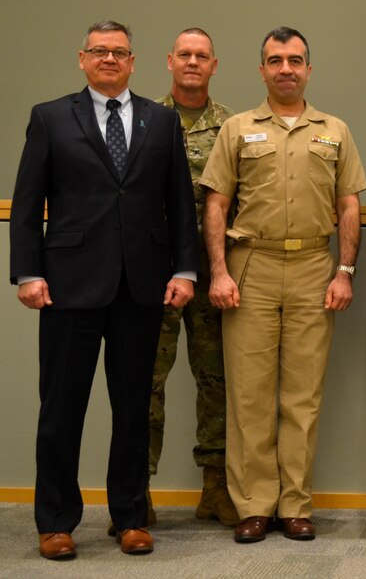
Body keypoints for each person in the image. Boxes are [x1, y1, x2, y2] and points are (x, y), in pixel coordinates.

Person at [8, 20, 199, 558]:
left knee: (134, 408)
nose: (109, 59)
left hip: (142, 286)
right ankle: (56, 522)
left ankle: (131, 516)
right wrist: (28, 272)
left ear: (134, 62)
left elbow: (180, 204)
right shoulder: (50, 117)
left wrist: (184, 270)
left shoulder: (162, 122)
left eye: (119, 52)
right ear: (82, 59)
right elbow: (27, 203)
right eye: (99, 51)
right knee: (61, 409)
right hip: (67, 286)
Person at [200, 26, 366, 544]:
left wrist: (344, 270)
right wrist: (219, 271)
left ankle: (295, 504)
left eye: (295, 60)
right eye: (275, 60)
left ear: (309, 69)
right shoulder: (236, 129)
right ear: (262, 70)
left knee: (302, 396)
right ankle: (254, 505)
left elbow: (349, 205)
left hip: (315, 269)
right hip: (251, 267)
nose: (286, 68)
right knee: (249, 395)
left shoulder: (334, 130)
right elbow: (216, 204)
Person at [142, 27, 238, 530]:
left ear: (214, 65)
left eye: (202, 56)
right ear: (169, 61)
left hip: (212, 273)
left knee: (217, 381)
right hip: (152, 275)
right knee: (145, 384)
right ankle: (137, 492)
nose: (193, 63)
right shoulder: (143, 120)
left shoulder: (233, 126)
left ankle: (215, 488)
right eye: (185, 55)